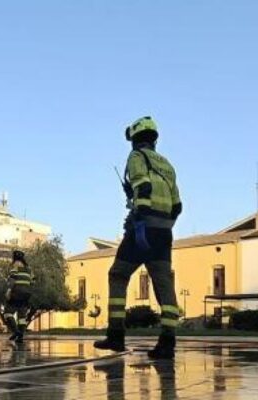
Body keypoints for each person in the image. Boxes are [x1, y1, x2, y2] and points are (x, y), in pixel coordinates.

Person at [94, 116, 183, 359]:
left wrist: (138, 216)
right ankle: (167, 342)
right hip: (164, 232)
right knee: (163, 282)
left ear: (135, 139)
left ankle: (116, 336)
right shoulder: (167, 165)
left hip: (143, 229)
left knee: (118, 274)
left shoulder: (136, 158)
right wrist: (162, 224)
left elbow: (143, 187)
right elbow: (177, 206)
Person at [3, 250, 35, 344]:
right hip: (26, 294)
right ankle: (20, 337)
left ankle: (16, 332)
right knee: (22, 317)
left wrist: (9, 290)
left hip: (16, 293)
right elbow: (33, 281)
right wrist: (27, 289)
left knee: (7, 313)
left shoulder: (16, 266)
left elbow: (12, 279)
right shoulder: (29, 269)